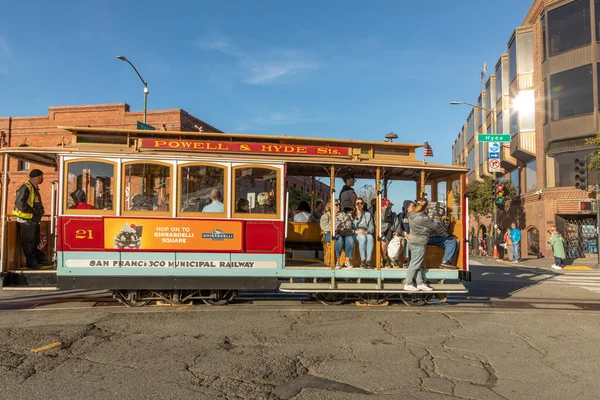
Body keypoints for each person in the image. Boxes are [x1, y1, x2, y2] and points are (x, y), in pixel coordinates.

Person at [13, 169, 52, 269]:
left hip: (33, 220)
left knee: (34, 241)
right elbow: (20, 203)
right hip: (26, 221)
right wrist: (34, 211)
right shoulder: (26, 187)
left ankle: (38, 259)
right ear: (38, 177)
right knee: (29, 242)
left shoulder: (33, 188)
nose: (42, 179)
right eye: (41, 177)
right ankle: (31, 262)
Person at [404, 197, 443, 291]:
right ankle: (408, 283)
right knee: (415, 264)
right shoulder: (422, 218)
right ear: (425, 207)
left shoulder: (411, 215)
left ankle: (420, 283)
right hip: (419, 242)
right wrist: (438, 218)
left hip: (413, 240)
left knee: (417, 263)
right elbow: (435, 226)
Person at [320, 200, 355, 269]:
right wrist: (336, 227)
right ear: (331, 206)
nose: (338, 206)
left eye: (339, 204)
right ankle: (337, 260)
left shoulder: (343, 214)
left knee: (350, 239)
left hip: (343, 232)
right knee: (339, 239)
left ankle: (347, 260)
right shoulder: (326, 215)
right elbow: (324, 226)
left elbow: (349, 223)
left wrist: (343, 227)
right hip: (330, 233)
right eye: (336, 205)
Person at [380, 198, 403, 268]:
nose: (390, 208)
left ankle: (394, 259)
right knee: (384, 241)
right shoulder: (378, 214)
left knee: (402, 241)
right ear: (382, 206)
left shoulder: (394, 215)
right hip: (382, 234)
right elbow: (384, 217)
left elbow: (398, 223)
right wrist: (386, 208)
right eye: (387, 206)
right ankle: (384, 259)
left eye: (390, 206)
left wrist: (397, 231)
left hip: (392, 233)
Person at [353, 197, 375, 268]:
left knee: (370, 237)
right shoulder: (351, 215)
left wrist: (367, 231)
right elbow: (348, 228)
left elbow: (372, 227)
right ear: (355, 205)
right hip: (356, 233)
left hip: (366, 232)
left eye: (361, 203)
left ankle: (368, 261)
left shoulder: (368, 214)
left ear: (363, 205)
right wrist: (356, 231)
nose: (359, 205)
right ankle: (363, 260)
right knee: (362, 238)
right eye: (358, 203)